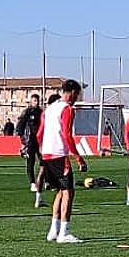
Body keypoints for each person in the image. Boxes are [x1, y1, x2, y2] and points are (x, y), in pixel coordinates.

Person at [37, 79, 88, 244]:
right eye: (78, 94)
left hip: (47, 154)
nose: (77, 98)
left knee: (60, 191)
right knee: (68, 192)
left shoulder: (49, 109)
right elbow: (67, 134)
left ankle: (53, 230)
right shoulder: (67, 109)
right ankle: (64, 233)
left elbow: (39, 133)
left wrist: (42, 152)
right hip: (59, 154)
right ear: (72, 92)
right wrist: (78, 157)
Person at [15, 93, 43, 201]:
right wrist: (22, 139)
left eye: (37, 101)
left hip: (40, 141)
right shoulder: (27, 112)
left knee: (43, 162)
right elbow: (20, 126)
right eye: (34, 101)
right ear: (31, 102)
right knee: (30, 162)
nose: (36, 103)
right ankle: (32, 183)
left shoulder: (41, 112)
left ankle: (45, 182)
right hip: (30, 141)